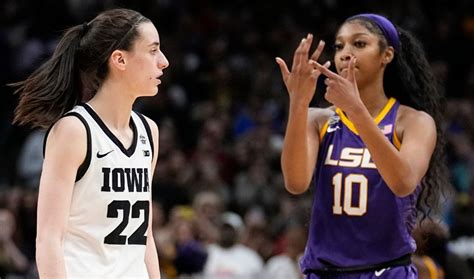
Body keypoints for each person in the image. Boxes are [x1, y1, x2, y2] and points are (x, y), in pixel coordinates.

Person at [276, 13, 449, 278]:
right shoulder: (318, 119)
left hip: (387, 270)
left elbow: (403, 182)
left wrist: (356, 110)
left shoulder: (413, 121)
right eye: (339, 46)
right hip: (325, 271)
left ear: (387, 55)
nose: (345, 53)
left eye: (359, 44)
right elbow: (295, 182)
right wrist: (298, 104)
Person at [11, 8, 169, 278]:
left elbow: (145, 237)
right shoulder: (74, 130)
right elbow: (48, 238)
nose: (164, 61)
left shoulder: (148, 131)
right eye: (153, 50)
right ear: (119, 59)